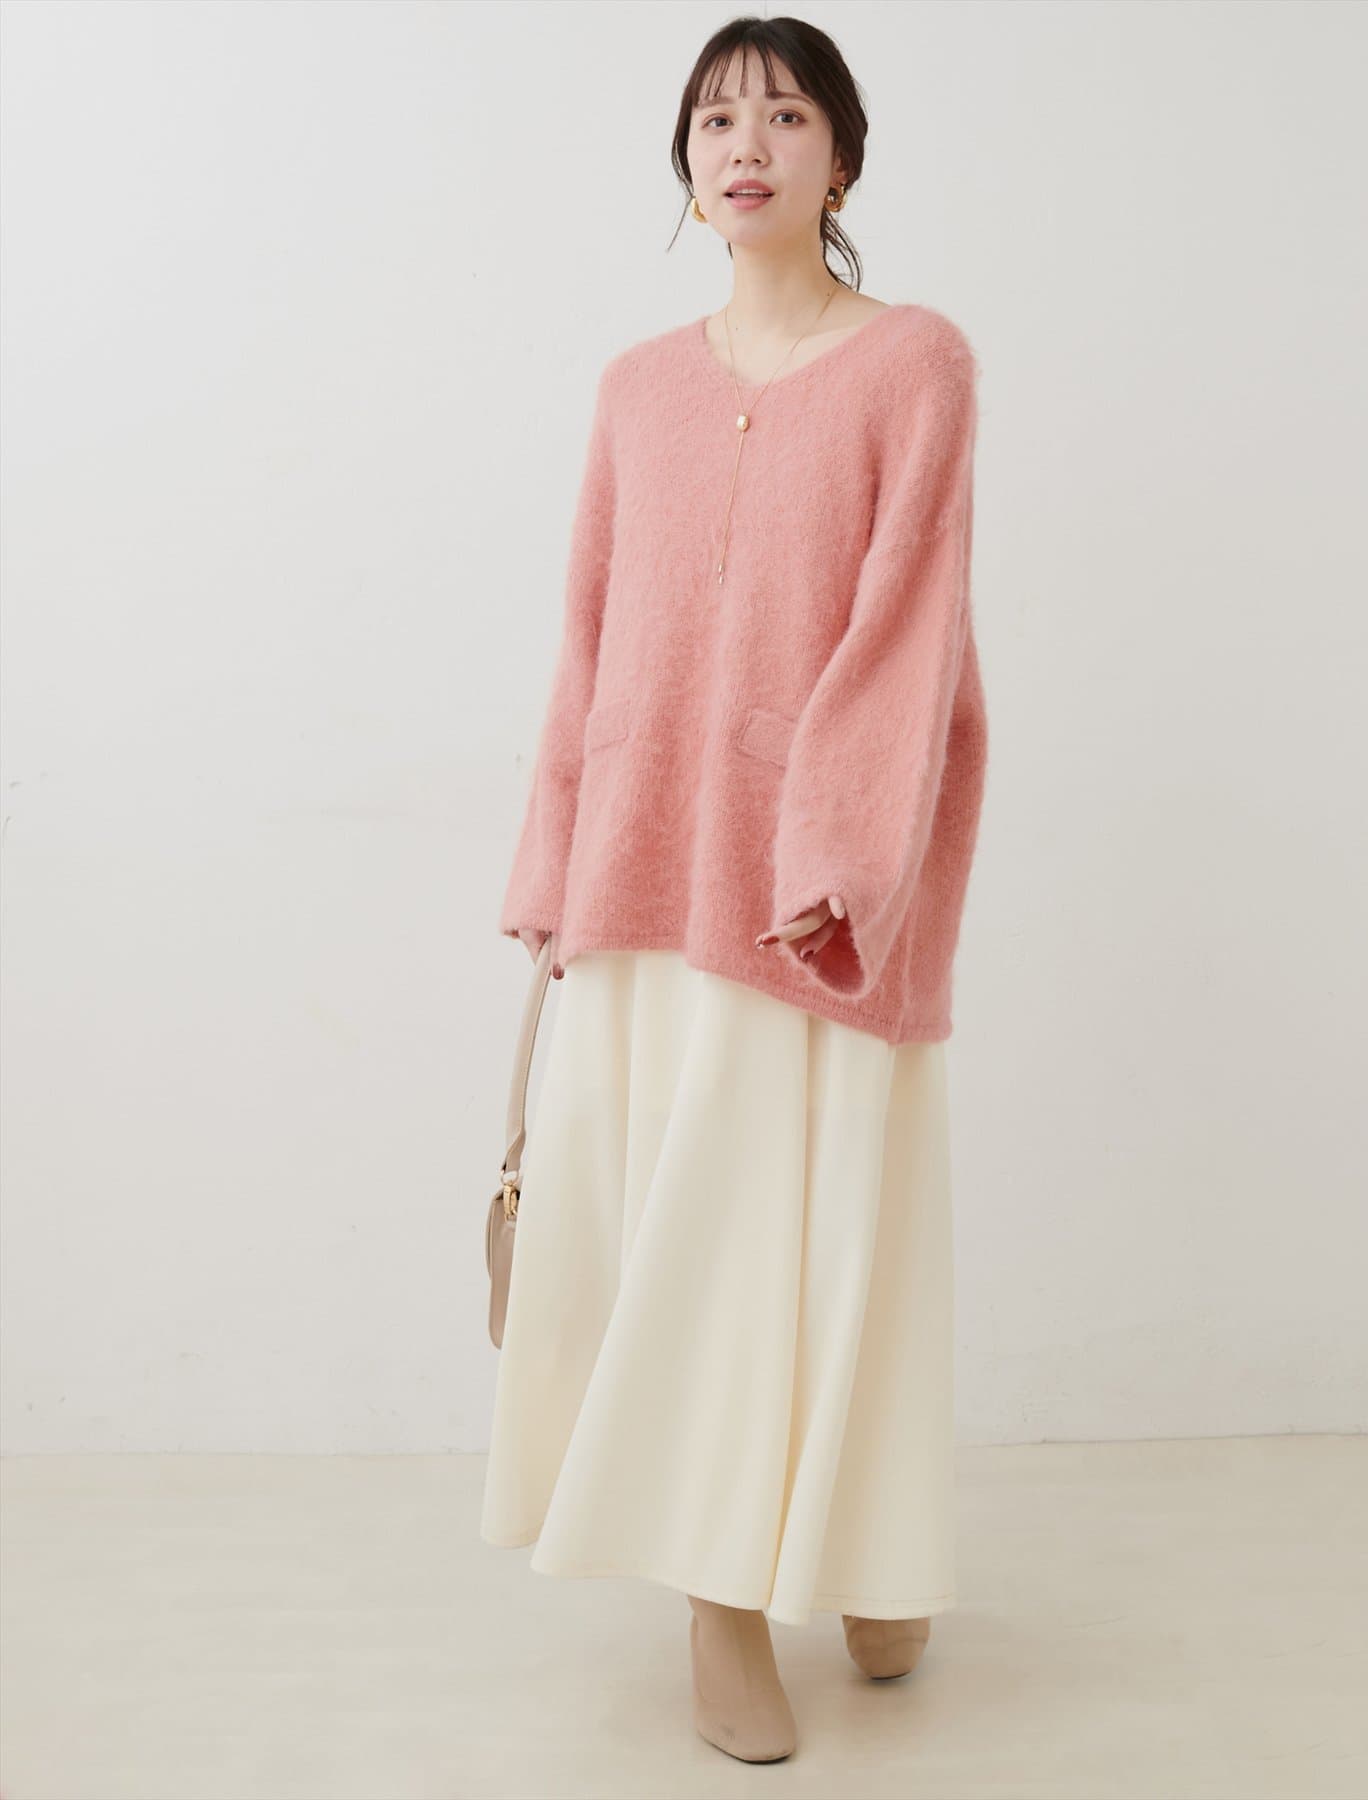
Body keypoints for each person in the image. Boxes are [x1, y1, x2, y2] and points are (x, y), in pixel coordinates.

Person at [479, 14, 988, 1765]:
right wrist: (553, 857)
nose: (744, 144)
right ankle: (720, 1599)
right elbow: (589, 634)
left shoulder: (916, 362)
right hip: (643, 873)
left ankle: (869, 1548)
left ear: (844, 157)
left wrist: (839, 855)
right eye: (713, 121)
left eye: (783, 115)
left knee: (833, 1235)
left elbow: (913, 630)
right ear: (686, 170)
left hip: (810, 898)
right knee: (688, 1249)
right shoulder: (636, 387)